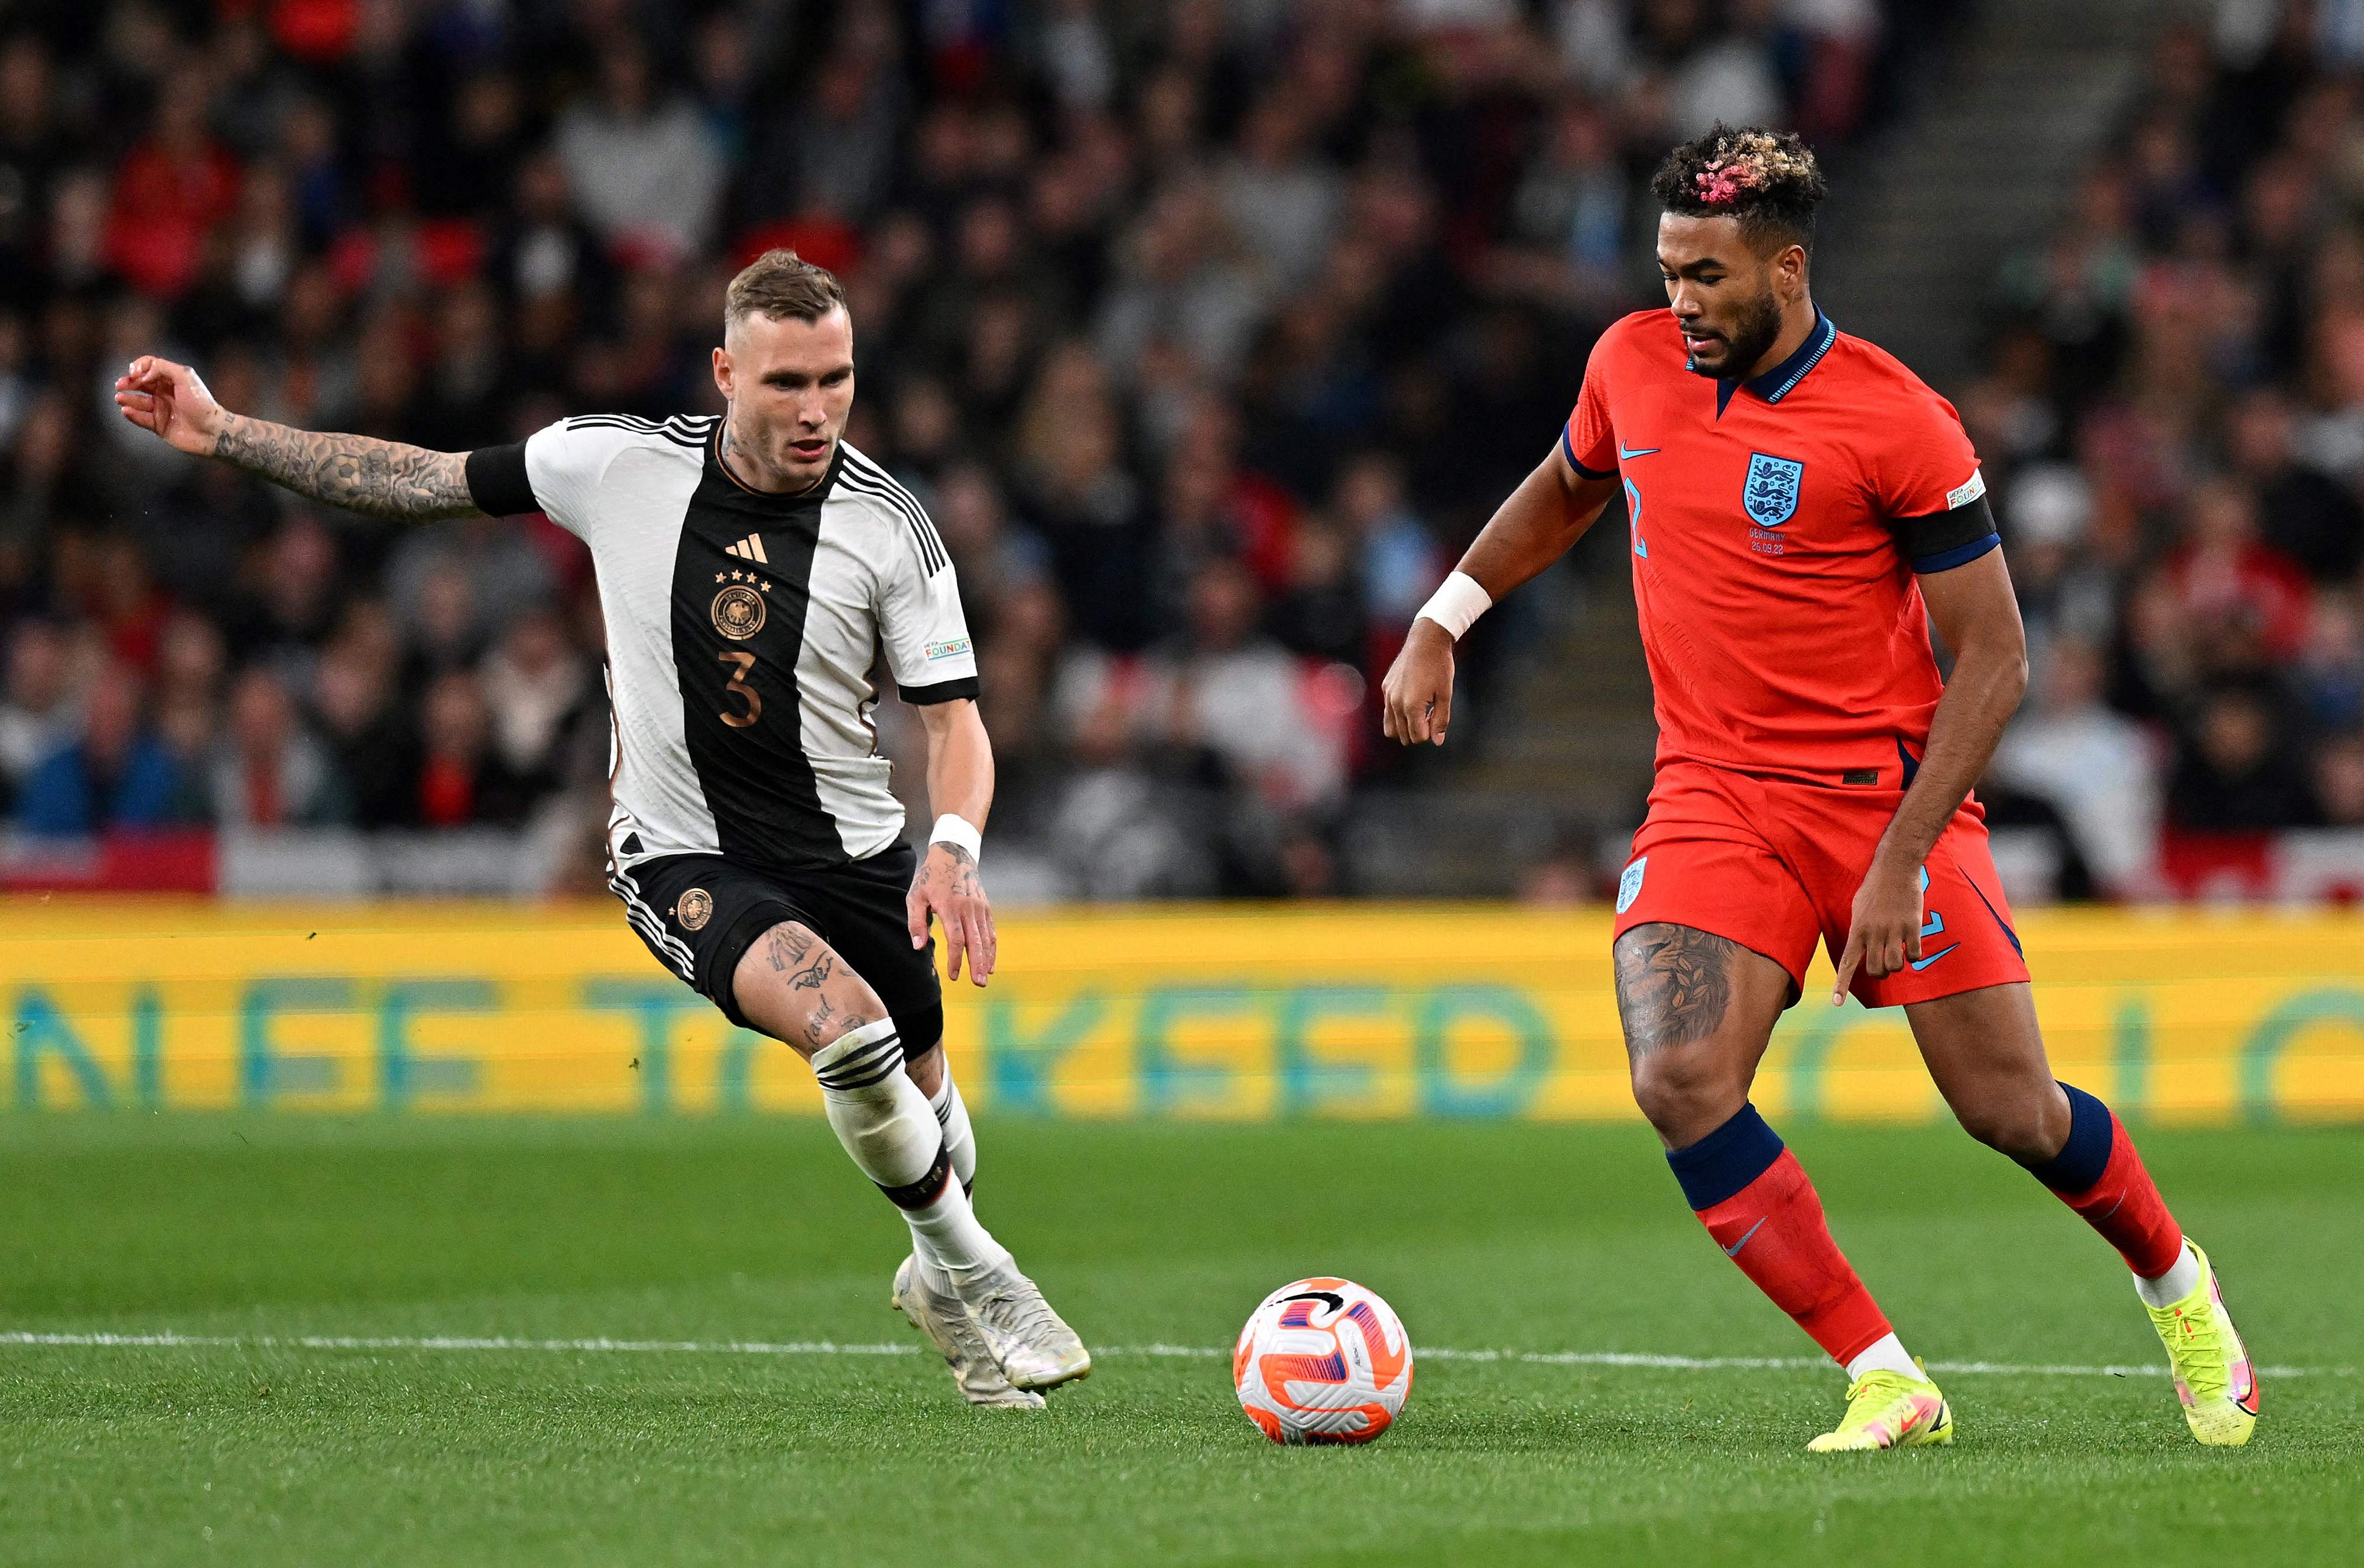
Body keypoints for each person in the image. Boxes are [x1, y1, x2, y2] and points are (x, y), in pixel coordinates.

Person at [1381, 126, 2255, 1452]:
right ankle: (1884, 1375)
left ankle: (2175, 1282)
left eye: (1708, 278)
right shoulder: (1627, 362)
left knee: (2007, 1111)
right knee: (1677, 1077)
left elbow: (1996, 656)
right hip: (1712, 790)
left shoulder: (1895, 418)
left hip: (1879, 800)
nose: (1680, 303)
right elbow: (1566, 490)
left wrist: (1902, 855)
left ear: (1785, 269)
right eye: (1668, 272)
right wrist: (1442, 617)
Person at [114, 249, 1088, 1408]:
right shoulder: (617, 464)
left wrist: (952, 845)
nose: (816, 408)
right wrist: (229, 432)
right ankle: (985, 1274)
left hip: (858, 855)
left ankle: (939, 1276)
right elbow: (419, 480)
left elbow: (954, 724)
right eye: (785, 383)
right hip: (682, 855)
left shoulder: (890, 528)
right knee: (849, 1032)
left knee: (937, 1131)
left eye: (836, 379)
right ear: (726, 372)